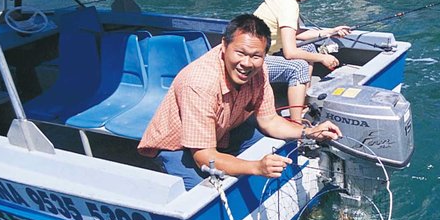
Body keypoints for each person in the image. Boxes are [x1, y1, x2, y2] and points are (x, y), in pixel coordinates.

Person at [137, 14, 343, 189]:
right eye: (240, 53)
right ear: (224, 46)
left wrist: (309, 132)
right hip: (178, 147)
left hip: (225, 130)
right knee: (207, 194)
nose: (247, 63)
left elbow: (269, 120)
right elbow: (203, 156)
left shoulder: (259, 70)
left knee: (278, 148)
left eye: (256, 56)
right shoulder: (199, 83)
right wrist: (255, 167)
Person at [254, 0, 352, 124]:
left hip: (262, 53)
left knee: (309, 48)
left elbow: (295, 33)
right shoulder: (288, 5)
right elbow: (290, 52)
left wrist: (329, 32)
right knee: (298, 67)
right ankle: (297, 123)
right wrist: (323, 58)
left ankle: (303, 102)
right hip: (255, 61)